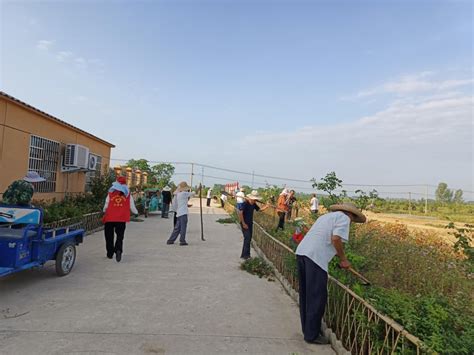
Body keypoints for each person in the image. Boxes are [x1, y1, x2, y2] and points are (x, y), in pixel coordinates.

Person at [295, 202, 366, 344]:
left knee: (306, 295)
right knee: (317, 297)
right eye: (353, 219)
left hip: (302, 253)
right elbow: (336, 239)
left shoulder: (326, 217)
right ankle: (312, 335)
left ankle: (309, 330)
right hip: (315, 258)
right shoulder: (344, 219)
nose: (351, 222)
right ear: (351, 215)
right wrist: (344, 259)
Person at [102, 176, 138, 262]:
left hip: (110, 217)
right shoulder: (127, 193)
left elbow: (107, 203)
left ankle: (110, 253)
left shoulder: (111, 191)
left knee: (109, 236)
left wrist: (104, 211)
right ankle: (118, 250)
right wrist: (136, 212)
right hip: (121, 218)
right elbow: (131, 205)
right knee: (120, 236)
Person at [238, 190, 268, 259]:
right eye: (255, 199)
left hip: (250, 223)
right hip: (244, 223)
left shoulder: (254, 204)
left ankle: (247, 254)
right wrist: (243, 223)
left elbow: (259, 210)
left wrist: (266, 207)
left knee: (249, 239)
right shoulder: (245, 203)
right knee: (247, 238)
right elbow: (240, 213)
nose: (256, 200)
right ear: (252, 198)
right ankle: (245, 255)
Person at [167, 181, 194, 246]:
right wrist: (199, 188)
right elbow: (193, 193)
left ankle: (170, 240)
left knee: (177, 228)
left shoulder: (178, 194)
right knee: (183, 227)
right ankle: (182, 241)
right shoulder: (184, 193)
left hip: (179, 213)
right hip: (183, 213)